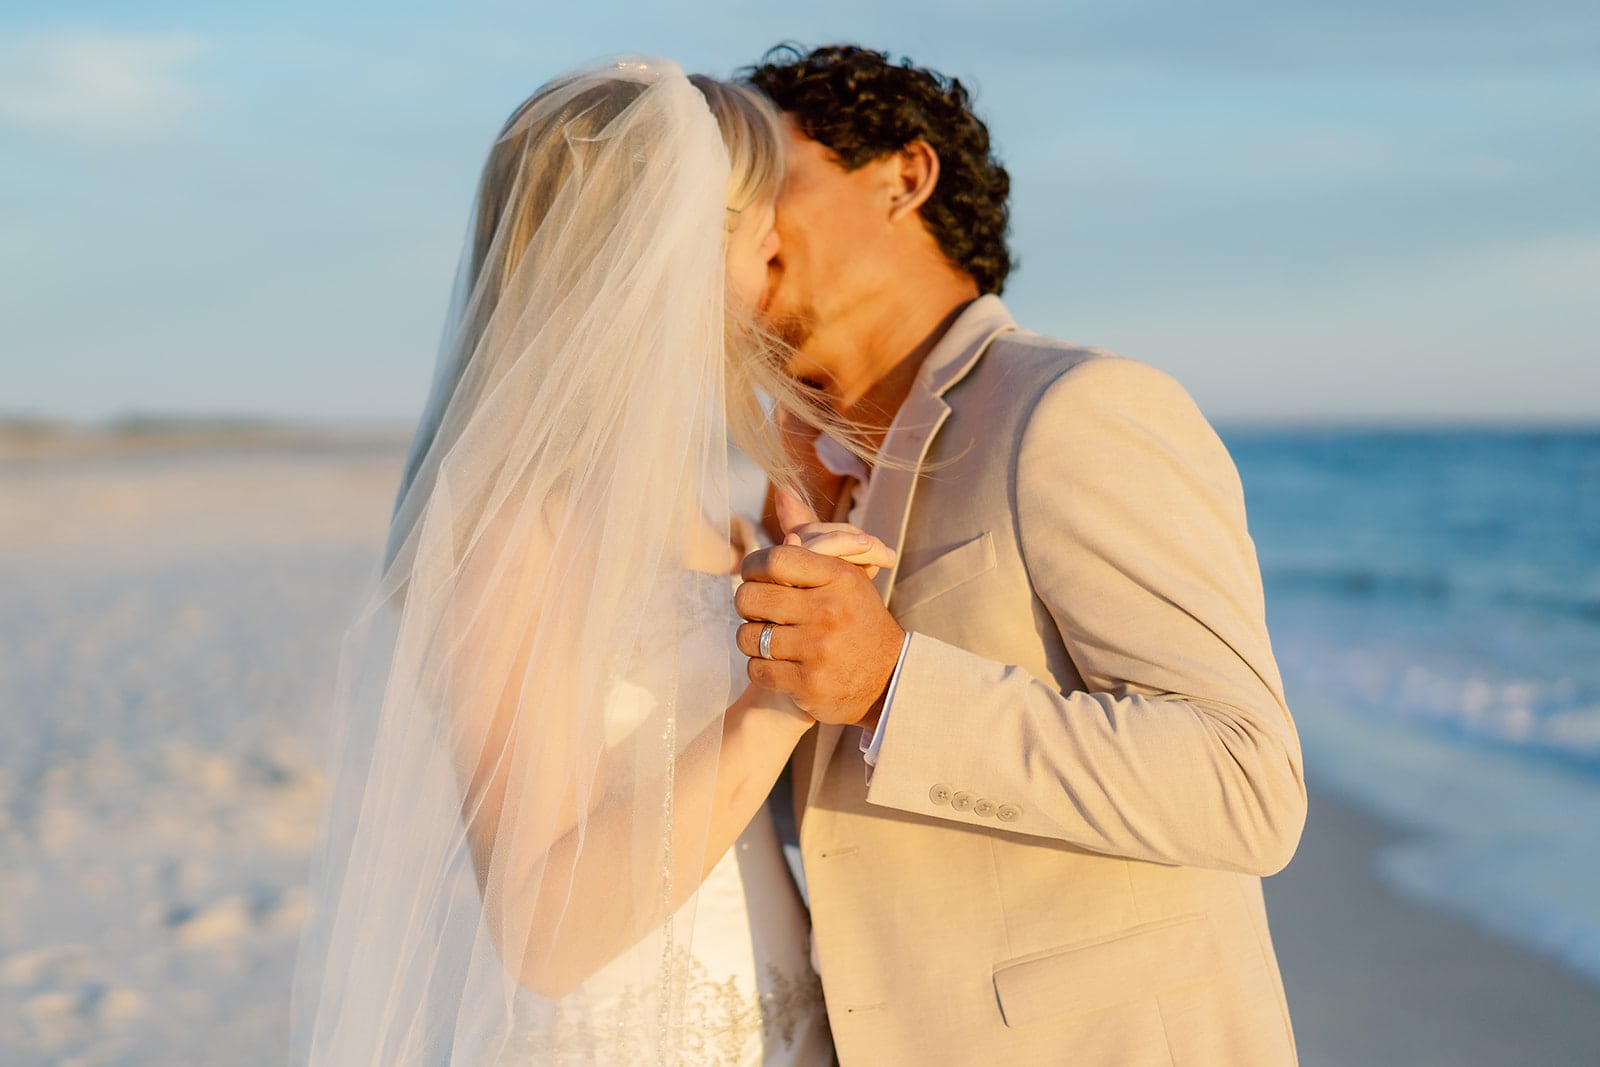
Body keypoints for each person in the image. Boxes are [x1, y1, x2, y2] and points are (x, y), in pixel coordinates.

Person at [291, 59, 891, 1065]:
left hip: (783, 1021)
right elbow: (542, 928)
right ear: (660, 252)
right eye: (758, 224)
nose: (782, 248)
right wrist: (784, 689)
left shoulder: (717, 508)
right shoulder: (517, 527)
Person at [734, 45, 1307, 1064]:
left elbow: (1245, 784)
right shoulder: (809, 483)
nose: (746, 227)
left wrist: (889, 682)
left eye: (768, 180)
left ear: (902, 178)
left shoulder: (1075, 406)